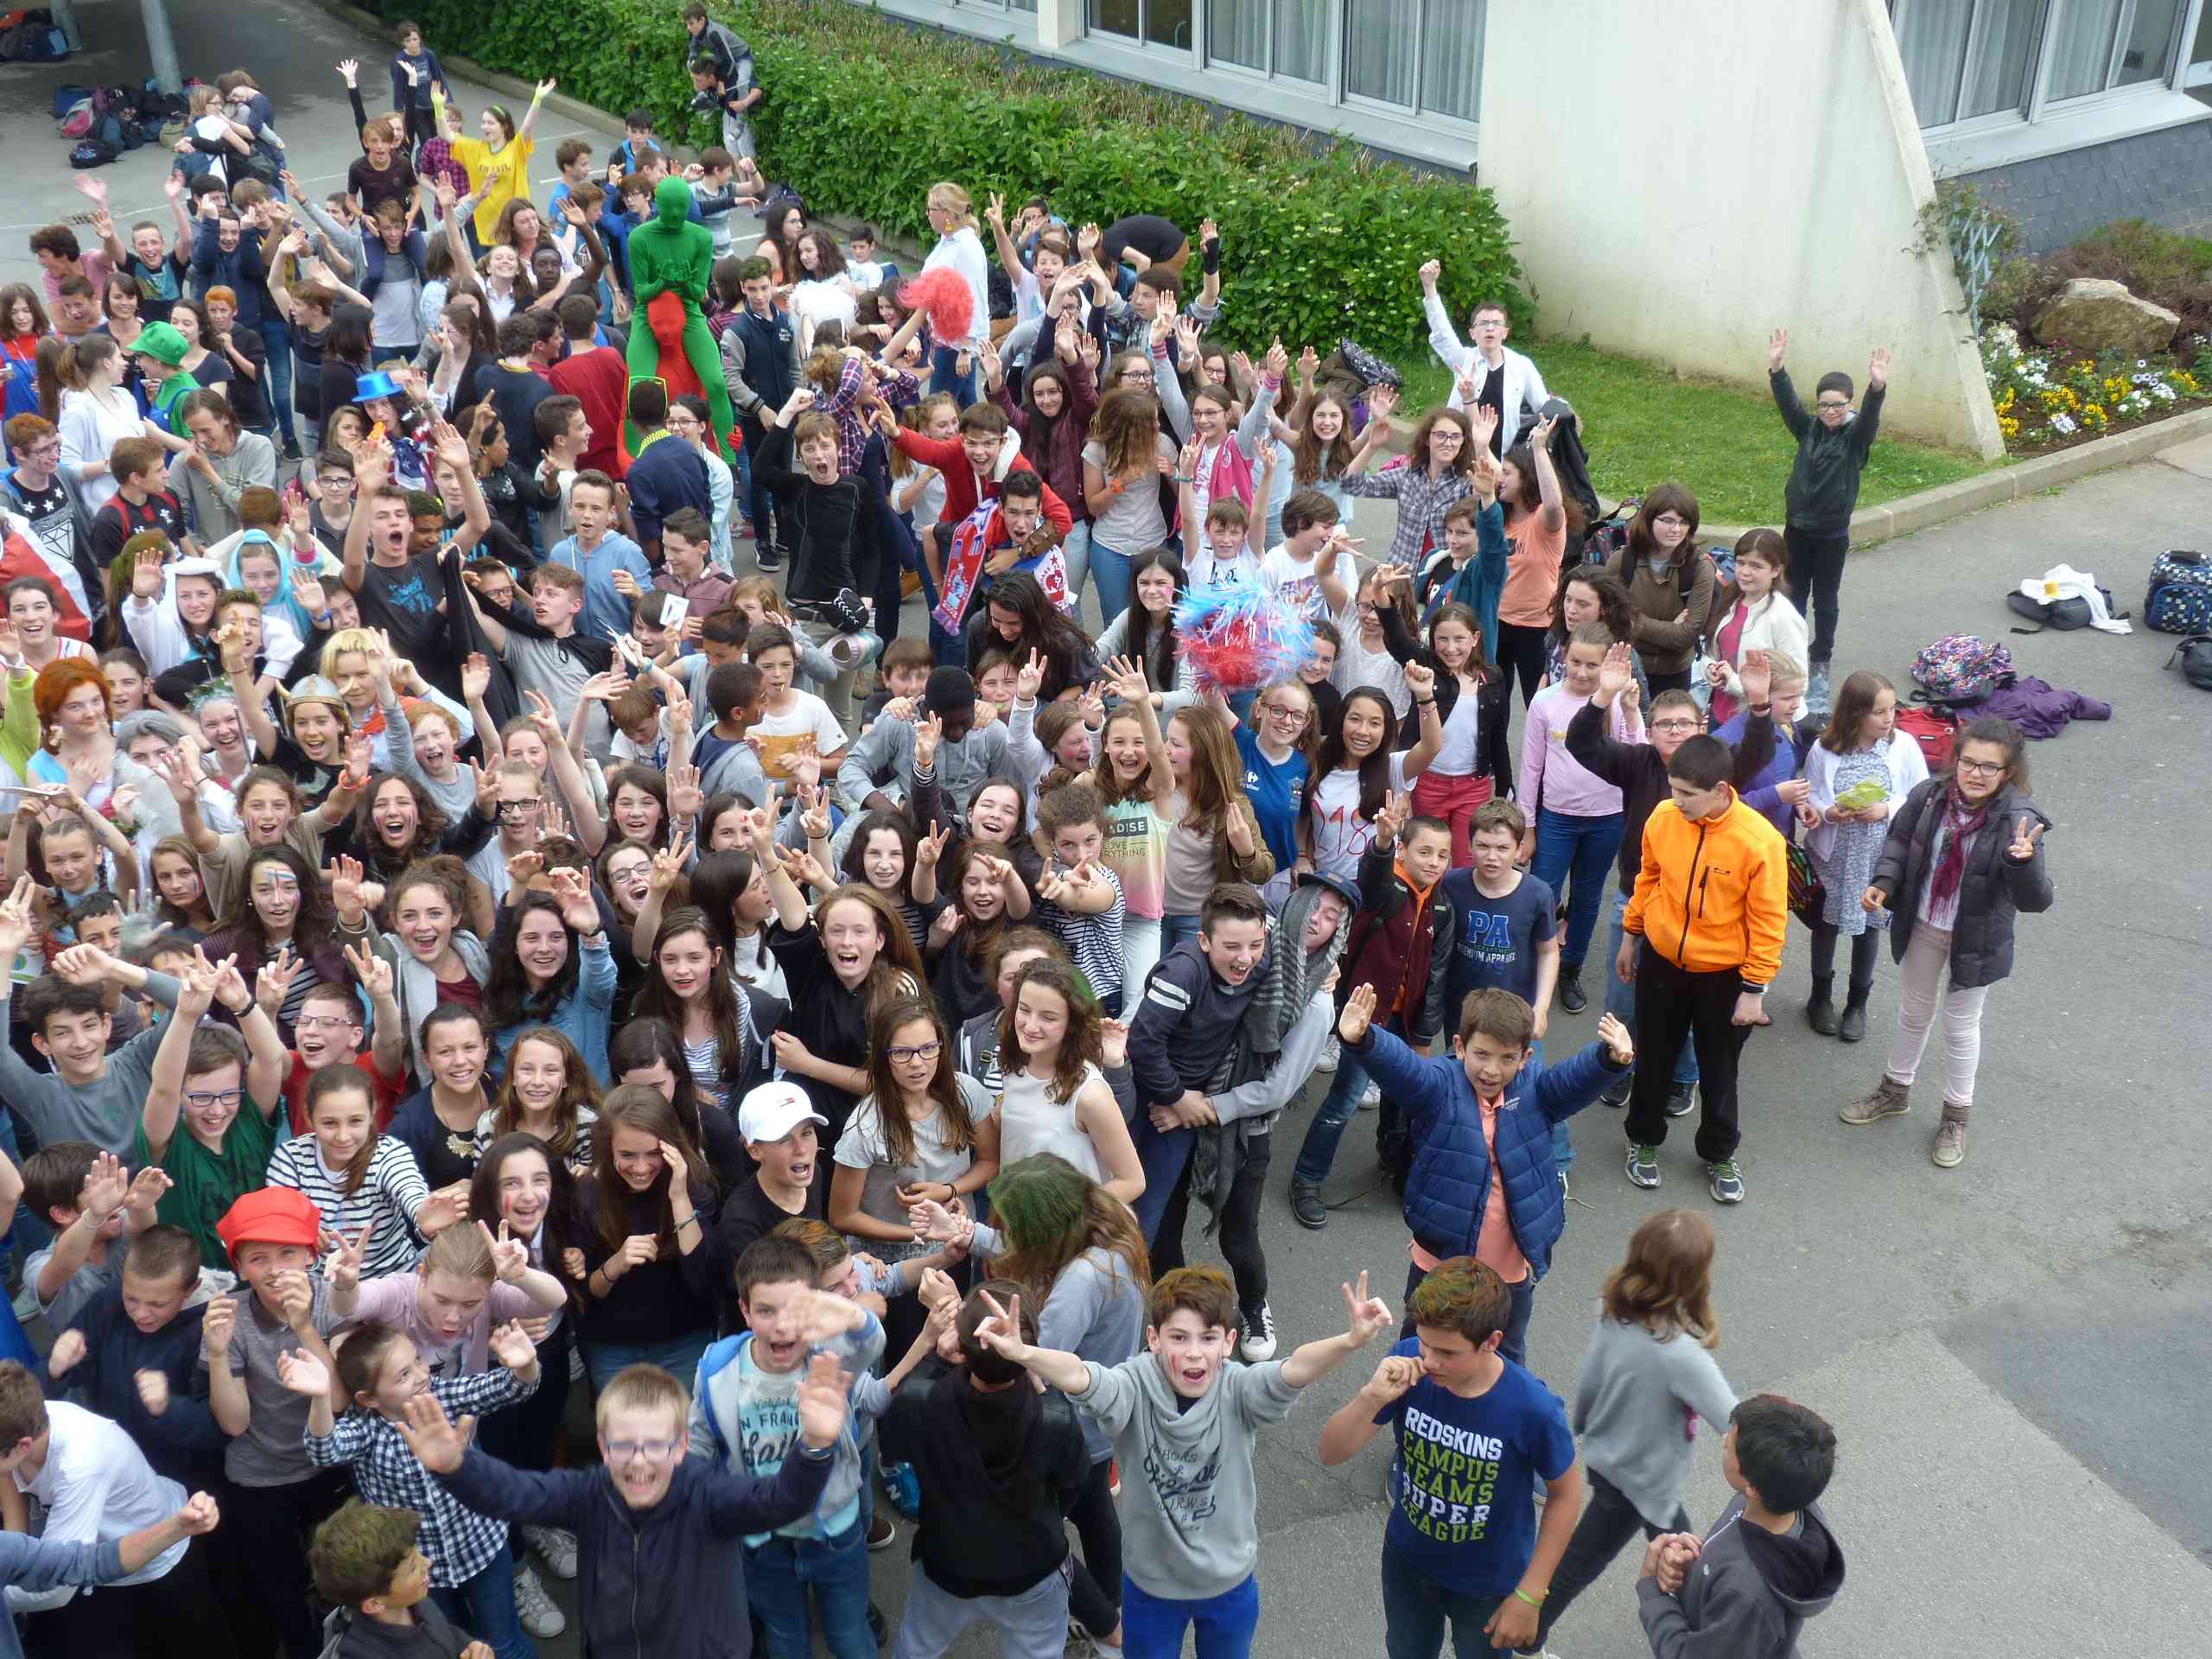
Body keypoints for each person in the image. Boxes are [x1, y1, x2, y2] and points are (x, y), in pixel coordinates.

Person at [974, 1263, 1395, 1659]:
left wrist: (1350, 1340)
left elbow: (1294, 1369)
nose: (1194, 1353)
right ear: (1154, 1338)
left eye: (1208, 1338)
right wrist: (1025, 1353)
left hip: (1228, 1583)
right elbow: (1082, 1375)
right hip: (1151, 1587)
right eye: (1179, 1338)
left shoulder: (1238, 1390)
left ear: (1229, 1342)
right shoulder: (1133, 1385)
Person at [391, 1358, 850, 1659]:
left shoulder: (707, 1495)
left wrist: (814, 1447)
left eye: (655, 1445)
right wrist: (456, 1467)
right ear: (603, 1446)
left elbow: (778, 1500)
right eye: (624, 1445)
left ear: (681, 1446)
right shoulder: (590, 1493)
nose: (639, 1461)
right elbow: (515, 1492)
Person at [1315, 1256, 1581, 1659]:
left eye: (1447, 1352)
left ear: (1492, 1341)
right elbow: (1330, 1453)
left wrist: (1530, 1595)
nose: (1430, 1360)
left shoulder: (1532, 1408)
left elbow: (1566, 1495)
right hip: (1408, 1563)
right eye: (1425, 1343)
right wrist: (1371, 1396)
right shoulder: (1408, 1362)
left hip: (1489, 1585)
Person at [1847, 717, 2052, 1168]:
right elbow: (1900, 844)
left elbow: (2036, 900)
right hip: (1923, 923)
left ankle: (1956, 1118)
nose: (1976, 774)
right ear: (1955, 759)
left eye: (1989, 767)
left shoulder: (2019, 821)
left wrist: (2024, 863)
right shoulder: (1929, 797)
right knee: (1913, 1013)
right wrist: (1883, 883)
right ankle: (1894, 1092)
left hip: (1974, 940)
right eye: (1968, 762)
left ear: (2008, 772)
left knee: (1960, 1028)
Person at [1531, 1211, 1736, 1648]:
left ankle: (1694, 1613)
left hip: (1610, 1459)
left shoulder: (1611, 1309)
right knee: (1581, 1565)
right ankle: (1526, 1639)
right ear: (1694, 1278)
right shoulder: (1682, 1355)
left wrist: (1583, 1425)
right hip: (1642, 1483)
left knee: (1676, 1544)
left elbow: (1591, 1376)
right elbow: (1733, 1419)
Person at [291, 1315, 542, 1659]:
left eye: (418, 1361)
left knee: (504, 1644)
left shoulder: (442, 1395)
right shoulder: (366, 1430)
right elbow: (324, 1449)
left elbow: (511, 1387)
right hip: (422, 1571)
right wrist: (321, 1398)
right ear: (369, 1399)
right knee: (449, 1645)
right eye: (404, 1375)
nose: (422, 1375)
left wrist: (525, 1365)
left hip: (482, 1546)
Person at [688, 1236, 884, 1659]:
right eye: (766, 1311)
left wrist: (848, 1312)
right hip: (762, 1542)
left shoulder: (829, 1354)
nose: (781, 1326)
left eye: (795, 1310)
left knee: (849, 1636)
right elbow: (698, 1446)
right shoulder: (717, 1368)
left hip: (835, 1533)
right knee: (785, 1638)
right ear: (744, 1311)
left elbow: (872, 1342)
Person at [878, 1281, 1091, 1659]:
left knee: (917, 1648)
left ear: (960, 1348)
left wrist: (935, 1360)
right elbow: (1073, 1487)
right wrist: (1044, 1387)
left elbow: (893, 1447)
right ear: (1027, 1348)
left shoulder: (920, 1400)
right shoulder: (1055, 1420)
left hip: (946, 1562)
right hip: (1032, 1569)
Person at [1618, 734, 1788, 1205]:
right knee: (1653, 1058)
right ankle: (1643, 1139)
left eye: (1687, 794)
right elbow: (1648, 878)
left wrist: (1754, 988)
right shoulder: (1663, 818)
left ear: (1720, 790)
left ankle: (1719, 1152)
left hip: (1725, 977)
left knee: (1719, 1070)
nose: (1676, 801)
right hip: (1662, 962)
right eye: (1673, 789)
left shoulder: (1760, 842)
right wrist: (1632, 934)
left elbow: (1769, 921)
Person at [202, 1185, 352, 1659]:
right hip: (260, 1474)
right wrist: (218, 1353)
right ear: (239, 1266)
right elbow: (233, 1424)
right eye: (258, 1258)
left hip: (328, 1461)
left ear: (310, 1255)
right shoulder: (230, 1316)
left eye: (287, 1253)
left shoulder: (331, 1299)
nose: (273, 1270)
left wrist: (303, 1325)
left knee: (346, 1575)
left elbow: (341, 1400)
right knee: (281, 1589)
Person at [1288, 803, 1453, 1218]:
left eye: (1443, 855)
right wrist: (1381, 842)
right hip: (1366, 1018)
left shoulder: (1443, 906)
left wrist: (1422, 1036)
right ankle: (1307, 1179)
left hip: (1405, 1020)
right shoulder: (1387, 889)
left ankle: (1392, 1157)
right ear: (1403, 851)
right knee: (1345, 1098)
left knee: (1402, 1094)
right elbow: (1371, 877)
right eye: (1424, 852)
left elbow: (1436, 976)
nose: (1434, 862)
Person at [0, 1363, 231, 1657]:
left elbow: (58, 1584)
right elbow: (7, 1474)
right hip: (94, 1555)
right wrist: (11, 1556)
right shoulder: (21, 1421)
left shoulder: (80, 1464)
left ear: (23, 1446)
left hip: (155, 1560)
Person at [1636, 1395, 1846, 1659]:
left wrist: (1652, 1589)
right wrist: (1692, 1566)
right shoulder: (1780, 1501)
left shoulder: (1746, 1596)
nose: (1723, 1440)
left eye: (1729, 1446)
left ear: (1752, 1486)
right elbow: (1727, 1559)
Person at [1519, 624, 1638, 1017]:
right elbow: (1531, 767)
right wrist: (1528, 827)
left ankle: (1570, 969)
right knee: (1543, 893)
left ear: (1606, 666)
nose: (1583, 672)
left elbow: (1636, 753)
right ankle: (1536, 965)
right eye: (1575, 662)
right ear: (1563, 657)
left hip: (1607, 819)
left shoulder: (1616, 701)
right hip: (1556, 818)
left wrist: (1631, 709)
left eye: (1592, 665)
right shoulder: (1545, 702)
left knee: (1587, 899)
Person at [1800, 670, 1926, 1042]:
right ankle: (1820, 997)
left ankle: (1857, 1004)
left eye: (1892, 709)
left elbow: (1922, 795)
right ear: (1856, 714)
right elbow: (1810, 794)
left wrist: (1886, 809)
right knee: (1826, 926)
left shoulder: (1903, 746)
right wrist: (1829, 812)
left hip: (1877, 857)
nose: (1889, 719)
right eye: (1879, 712)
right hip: (1833, 855)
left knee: (1869, 928)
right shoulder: (1824, 749)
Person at [1767, 329, 1890, 707]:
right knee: (1792, 595)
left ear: (1849, 405)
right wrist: (1778, 369)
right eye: (1824, 405)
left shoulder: (1855, 439)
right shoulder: (1809, 430)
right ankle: (1791, 656)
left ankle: (1820, 661)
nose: (1830, 412)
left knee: (1825, 602)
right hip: (1797, 530)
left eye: (1838, 405)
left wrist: (1877, 387)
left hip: (1831, 535)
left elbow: (1869, 420)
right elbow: (1789, 405)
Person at [306, 1498, 491, 1659]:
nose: (427, 1563)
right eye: (412, 1567)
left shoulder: (411, 1603)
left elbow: (444, 1634)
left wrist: (467, 1645)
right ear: (374, 1604)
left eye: (418, 1553)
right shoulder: (363, 1653)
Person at [1420, 262, 1550, 456]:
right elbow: (1442, 333)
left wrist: (1538, 445)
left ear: (1505, 332)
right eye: (1483, 323)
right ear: (1472, 333)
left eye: (1496, 323)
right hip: (1460, 452)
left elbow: (1543, 407)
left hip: (1503, 455)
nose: (1490, 328)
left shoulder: (1522, 365)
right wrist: (1429, 287)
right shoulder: (1463, 359)